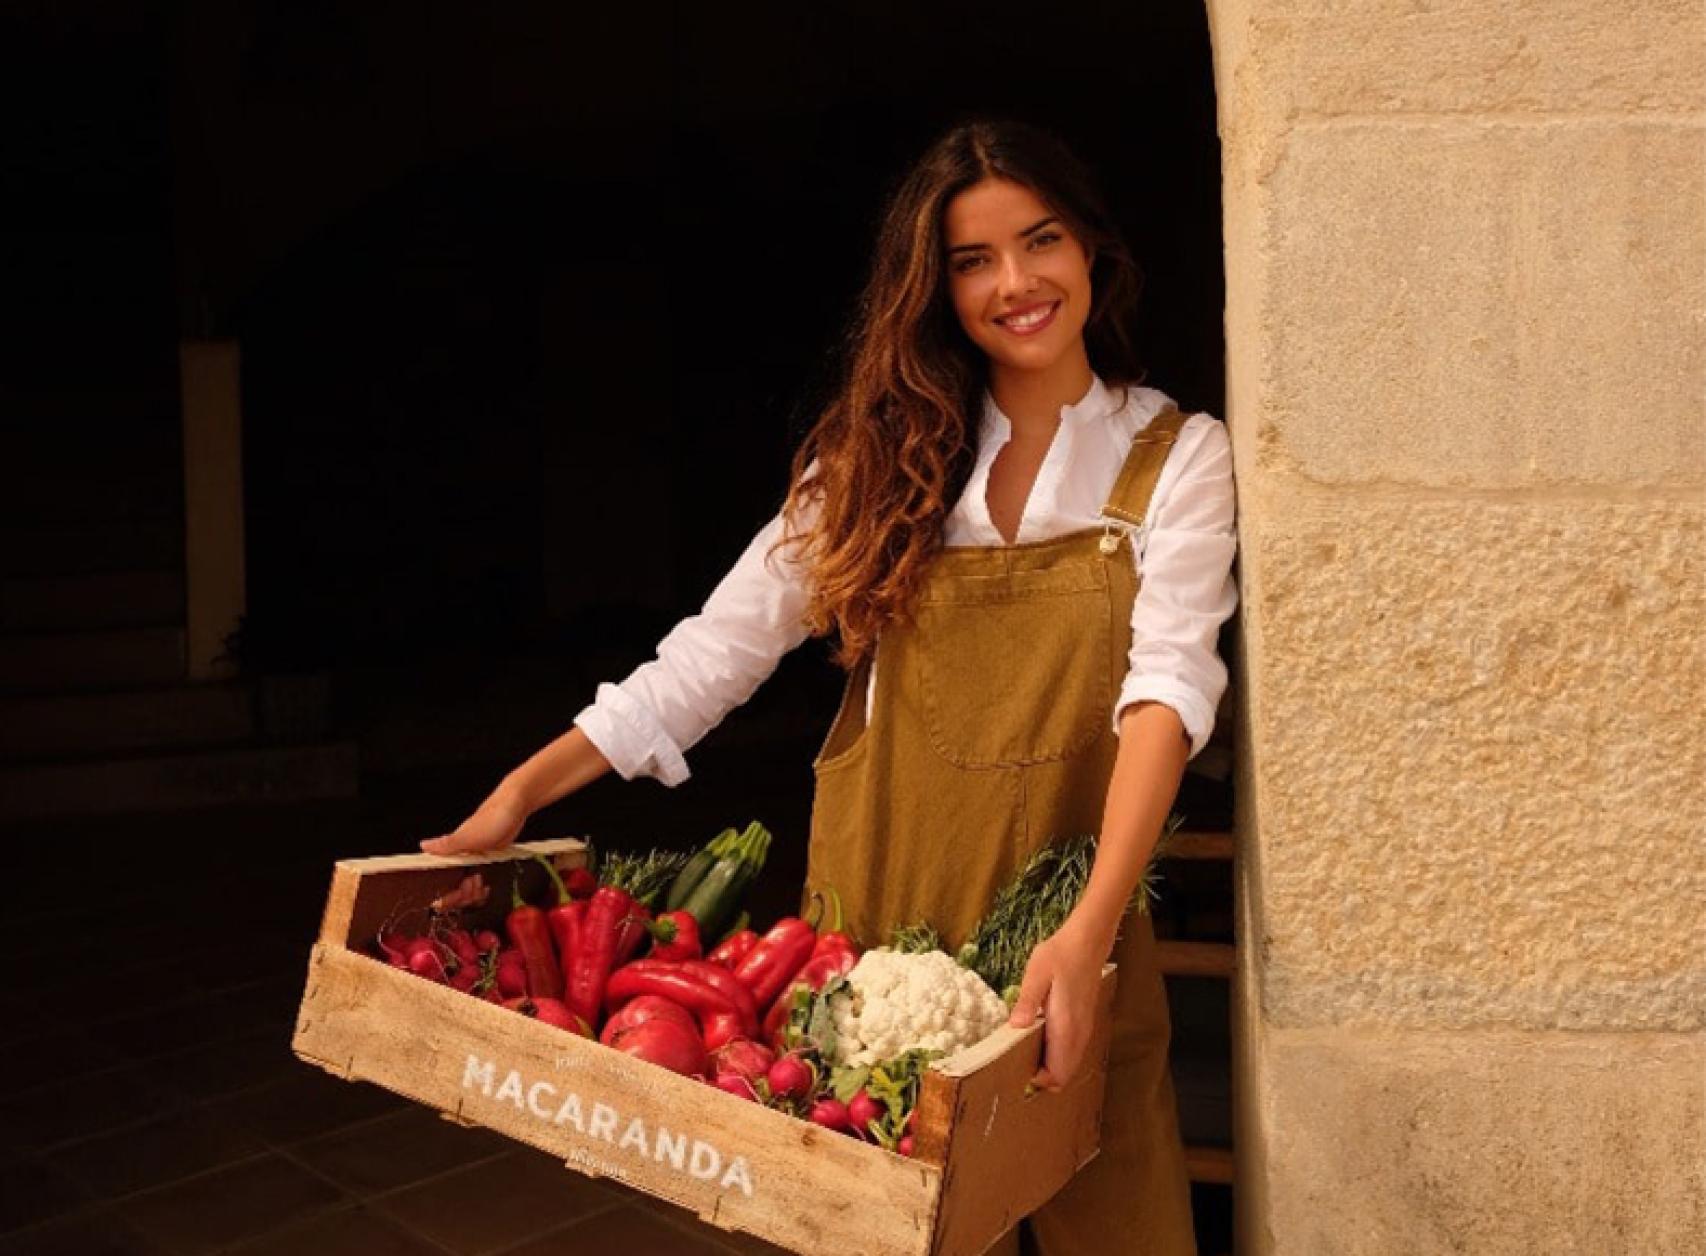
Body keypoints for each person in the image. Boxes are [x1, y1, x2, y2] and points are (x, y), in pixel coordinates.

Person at [420, 117, 1237, 1256]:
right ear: (935, 289)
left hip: (1071, 947)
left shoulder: (1177, 458)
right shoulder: (877, 463)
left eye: (1038, 240)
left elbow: (1167, 690)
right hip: (872, 953)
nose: (1014, 283)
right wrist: (517, 794)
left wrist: (1088, 923)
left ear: (1088, 249)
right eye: (970, 261)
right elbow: (708, 659)